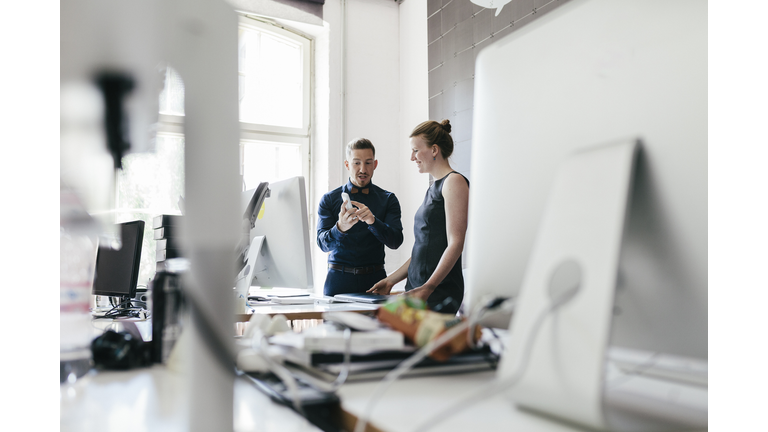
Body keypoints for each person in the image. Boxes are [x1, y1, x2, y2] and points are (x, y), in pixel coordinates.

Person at [367, 120, 469, 315]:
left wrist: (428, 287)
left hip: (437, 290)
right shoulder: (433, 188)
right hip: (418, 289)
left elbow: (456, 243)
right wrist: (391, 280)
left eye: (415, 150)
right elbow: (423, 250)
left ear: (434, 150)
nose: (412, 157)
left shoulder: (454, 182)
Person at [317, 138, 404, 296]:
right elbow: (322, 244)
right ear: (347, 164)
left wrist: (373, 222)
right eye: (356, 163)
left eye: (368, 163)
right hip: (338, 281)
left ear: (375, 164)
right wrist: (340, 227)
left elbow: (396, 241)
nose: (363, 169)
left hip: (375, 281)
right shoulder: (329, 199)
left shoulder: (388, 199)